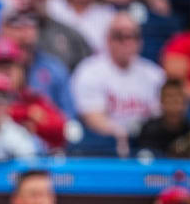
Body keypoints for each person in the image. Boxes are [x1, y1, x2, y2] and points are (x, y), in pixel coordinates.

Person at [70, 12, 165, 153]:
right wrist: (119, 133)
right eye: (120, 36)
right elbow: (92, 116)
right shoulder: (90, 71)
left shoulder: (154, 74)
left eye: (133, 36)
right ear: (108, 39)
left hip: (147, 143)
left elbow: (161, 115)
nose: (127, 42)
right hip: (104, 147)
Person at [0, 7, 77, 116]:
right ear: (3, 30)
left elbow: (69, 116)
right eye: (16, 24)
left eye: (31, 23)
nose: (25, 31)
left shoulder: (54, 68)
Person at [136, 79, 190, 159]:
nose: (174, 101)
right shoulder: (149, 130)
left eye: (178, 97)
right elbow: (144, 160)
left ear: (186, 102)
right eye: (169, 97)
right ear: (161, 101)